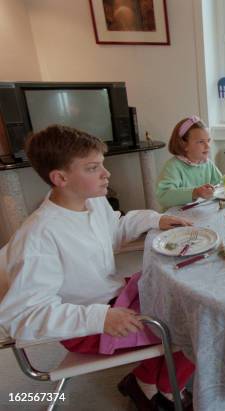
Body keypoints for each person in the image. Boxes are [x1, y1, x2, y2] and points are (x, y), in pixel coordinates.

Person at [0, 125, 195, 410]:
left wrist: (154, 220)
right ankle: (163, 389)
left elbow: (113, 229)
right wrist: (100, 318)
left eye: (102, 164)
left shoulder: (92, 203)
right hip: (84, 324)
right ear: (61, 178)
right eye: (93, 168)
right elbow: (24, 315)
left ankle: (145, 380)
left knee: (183, 300)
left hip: (111, 298)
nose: (107, 173)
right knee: (194, 326)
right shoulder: (40, 237)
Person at [156, 116, 222, 210]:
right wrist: (195, 192)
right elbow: (163, 196)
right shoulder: (173, 166)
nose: (207, 146)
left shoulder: (207, 164)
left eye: (208, 141)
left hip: (199, 214)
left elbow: (220, 185)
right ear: (184, 145)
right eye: (200, 142)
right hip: (176, 218)